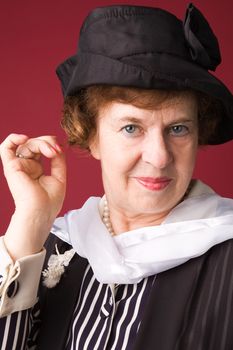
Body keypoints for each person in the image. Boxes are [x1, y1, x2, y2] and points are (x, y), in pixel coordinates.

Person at [0, 3, 233, 350]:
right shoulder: (55, 247)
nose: (159, 157)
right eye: (131, 128)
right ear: (90, 135)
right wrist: (31, 223)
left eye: (179, 128)